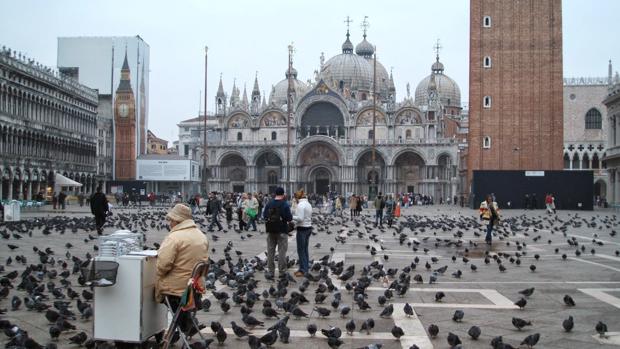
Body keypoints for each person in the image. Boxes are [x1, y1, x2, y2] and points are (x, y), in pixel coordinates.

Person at [156, 204, 209, 336]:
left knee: (147, 289)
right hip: (195, 287)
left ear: (177, 221)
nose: (169, 223)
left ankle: (156, 327)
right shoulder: (201, 236)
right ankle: (185, 321)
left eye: (171, 220)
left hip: (178, 289)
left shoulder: (174, 237)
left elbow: (163, 266)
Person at [262, 187, 293, 277]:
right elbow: (289, 218)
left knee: (270, 251)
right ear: (283, 194)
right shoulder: (285, 204)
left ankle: (271, 271)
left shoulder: (269, 203)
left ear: (275, 194)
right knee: (282, 252)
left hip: (271, 230)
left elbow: (264, 216)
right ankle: (282, 272)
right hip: (282, 230)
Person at [292, 190, 312, 277]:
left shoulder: (300, 205)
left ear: (297, 197)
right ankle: (304, 268)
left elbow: (300, 218)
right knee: (305, 249)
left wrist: (291, 216)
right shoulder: (308, 204)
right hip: (308, 228)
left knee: (301, 250)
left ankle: (303, 270)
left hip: (302, 229)